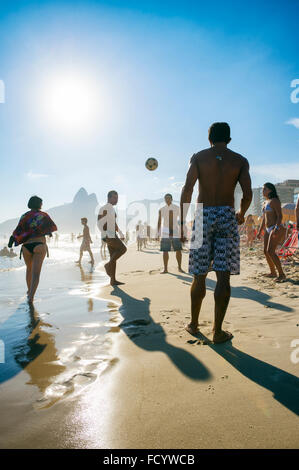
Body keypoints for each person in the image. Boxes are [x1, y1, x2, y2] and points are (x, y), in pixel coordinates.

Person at [180, 122, 252, 343]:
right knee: (223, 275)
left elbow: (188, 188)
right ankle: (217, 331)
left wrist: (182, 219)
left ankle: (193, 324)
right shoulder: (240, 161)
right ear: (229, 139)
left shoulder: (199, 157)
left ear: (209, 138)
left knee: (199, 274)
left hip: (203, 216)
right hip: (226, 214)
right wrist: (240, 212)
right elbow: (247, 193)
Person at [9, 195, 57, 303]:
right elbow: (50, 228)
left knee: (29, 269)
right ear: (39, 204)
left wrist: (13, 238)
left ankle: (28, 291)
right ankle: (31, 297)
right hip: (39, 244)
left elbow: (18, 230)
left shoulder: (24, 216)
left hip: (26, 247)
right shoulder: (43, 215)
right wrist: (48, 232)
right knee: (36, 273)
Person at [256, 183, 286, 282]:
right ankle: (273, 272)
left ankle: (282, 275)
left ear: (270, 190)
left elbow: (279, 216)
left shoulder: (274, 201)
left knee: (271, 251)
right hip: (268, 229)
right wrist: (260, 231)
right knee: (266, 251)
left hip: (276, 228)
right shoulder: (265, 202)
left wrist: (276, 228)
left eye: (264, 189)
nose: (263, 191)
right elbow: (264, 219)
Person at [98, 190, 127, 286]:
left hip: (108, 234)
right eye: (115, 197)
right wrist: (106, 233)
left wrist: (120, 232)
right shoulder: (107, 207)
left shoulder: (108, 208)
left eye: (117, 198)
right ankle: (108, 265)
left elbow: (113, 223)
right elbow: (99, 222)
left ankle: (113, 280)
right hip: (109, 234)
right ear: (109, 197)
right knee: (123, 249)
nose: (117, 200)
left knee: (113, 256)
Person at [157, 194, 183, 274]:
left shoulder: (177, 208)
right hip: (165, 231)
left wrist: (182, 230)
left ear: (172, 199)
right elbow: (159, 221)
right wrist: (158, 233)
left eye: (169, 198)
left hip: (175, 230)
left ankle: (179, 267)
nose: (167, 200)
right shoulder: (161, 209)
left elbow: (181, 220)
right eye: (166, 198)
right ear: (164, 200)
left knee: (178, 249)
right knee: (165, 250)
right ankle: (165, 269)